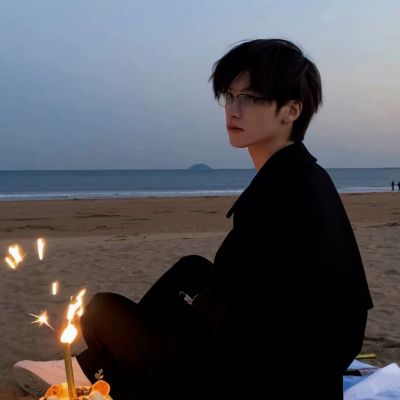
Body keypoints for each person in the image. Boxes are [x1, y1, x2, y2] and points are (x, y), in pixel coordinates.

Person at [13, 39, 373, 400]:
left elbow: (235, 332)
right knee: (192, 272)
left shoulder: (274, 200)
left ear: (291, 110)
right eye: (230, 96)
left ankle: (96, 369)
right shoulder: (308, 178)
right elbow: (347, 312)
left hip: (259, 381)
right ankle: (94, 365)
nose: (233, 110)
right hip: (305, 365)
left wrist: (180, 344)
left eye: (250, 98)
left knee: (101, 311)